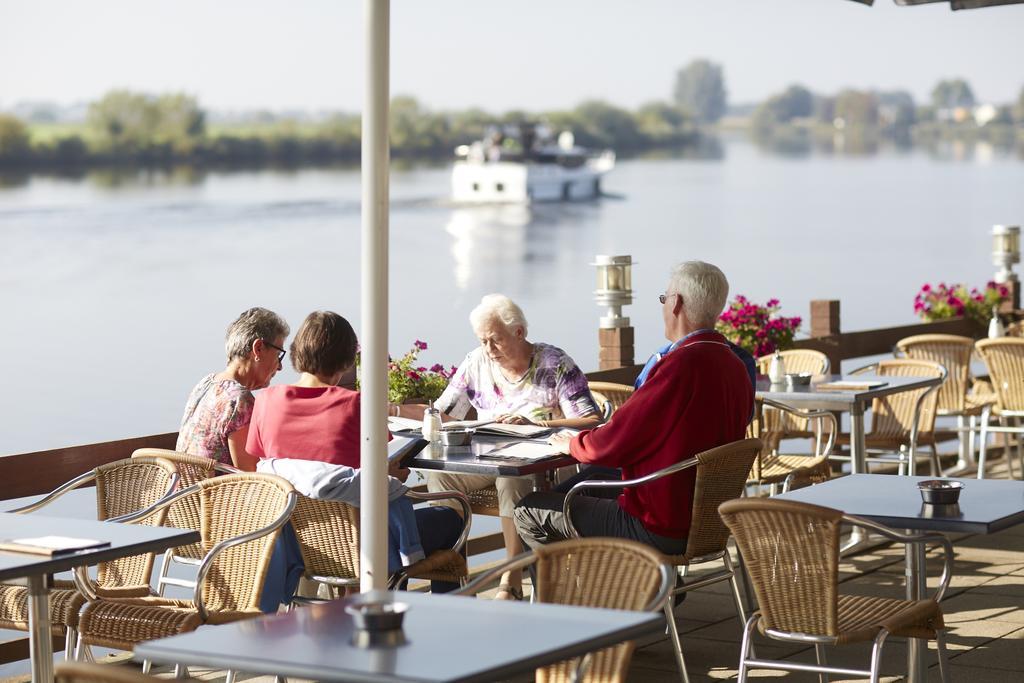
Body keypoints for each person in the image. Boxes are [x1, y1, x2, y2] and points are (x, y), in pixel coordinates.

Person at [513, 261, 754, 557]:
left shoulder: (680, 366)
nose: (663, 306)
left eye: (664, 299)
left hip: (659, 524)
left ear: (676, 304)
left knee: (529, 510)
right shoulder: (734, 365)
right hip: (707, 522)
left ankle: (575, 600)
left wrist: (572, 444)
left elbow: (612, 444)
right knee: (580, 491)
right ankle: (623, 591)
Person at [247, 310, 465, 592]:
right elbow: (383, 467)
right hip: (363, 542)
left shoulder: (265, 401)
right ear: (347, 359)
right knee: (450, 519)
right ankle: (408, 608)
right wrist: (391, 476)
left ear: (297, 352)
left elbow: (271, 467)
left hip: (302, 545)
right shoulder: (357, 406)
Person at [428, 294, 601, 600]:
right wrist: (397, 412)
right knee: (440, 477)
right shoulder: (476, 362)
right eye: (483, 341)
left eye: (494, 340)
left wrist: (535, 425)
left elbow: (590, 420)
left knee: (511, 478)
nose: (488, 349)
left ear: (519, 333)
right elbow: (444, 412)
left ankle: (512, 576)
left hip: (539, 466)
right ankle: (451, 580)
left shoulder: (555, 363)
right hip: (485, 460)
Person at [176, 307, 289, 471]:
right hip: (214, 496)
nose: (280, 367)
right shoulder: (239, 401)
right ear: (258, 349)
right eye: (279, 355)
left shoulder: (205, 383)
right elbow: (252, 477)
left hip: (185, 493)